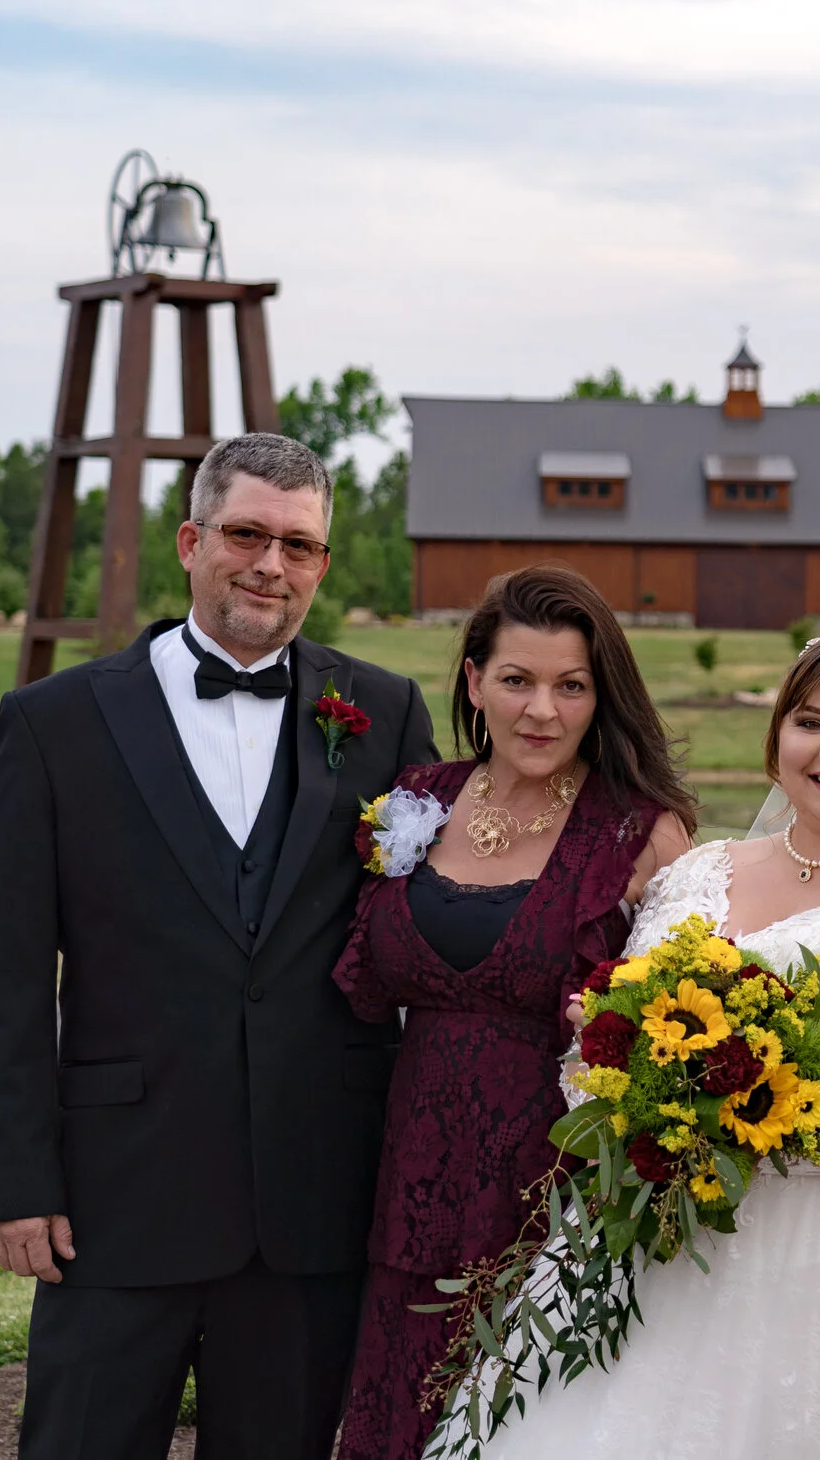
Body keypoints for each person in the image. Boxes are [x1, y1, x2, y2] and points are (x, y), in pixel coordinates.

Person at [0, 432, 438, 1460]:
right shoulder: (53, 723)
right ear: (191, 539)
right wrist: (11, 1178)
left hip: (313, 1192)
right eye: (248, 534)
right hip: (115, 1194)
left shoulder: (384, 711)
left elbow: (428, 923)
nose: (272, 564)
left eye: (299, 544)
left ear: (321, 559)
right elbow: (0, 970)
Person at [472, 628, 820, 1459]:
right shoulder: (701, 873)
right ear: (778, 739)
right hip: (654, 1243)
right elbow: (600, 1049)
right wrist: (623, 1080)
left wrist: (774, 1120)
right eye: (811, 720)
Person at [330, 566, 694, 1460]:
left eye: (571, 685)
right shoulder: (415, 800)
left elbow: (675, 1036)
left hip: (556, 1192)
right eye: (517, 680)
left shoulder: (641, 834)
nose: (543, 710)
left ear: (601, 696)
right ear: (473, 682)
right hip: (411, 1172)